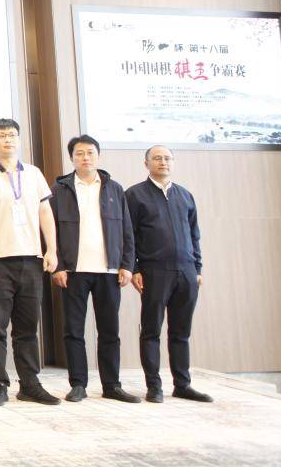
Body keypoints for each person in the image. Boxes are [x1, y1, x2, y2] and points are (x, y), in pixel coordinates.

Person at [0, 118, 60, 406]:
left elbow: (45, 213)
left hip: (31, 259)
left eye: (12, 135)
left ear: (19, 140)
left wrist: (51, 249)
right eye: (1, 135)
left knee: (27, 327)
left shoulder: (34, 174)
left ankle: (30, 384)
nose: (8, 139)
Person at [50, 135, 140, 404]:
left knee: (109, 331)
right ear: (72, 158)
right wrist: (58, 266)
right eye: (79, 153)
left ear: (98, 156)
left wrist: (126, 265)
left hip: (108, 271)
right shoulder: (60, 189)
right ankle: (78, 384)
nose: (85, 157)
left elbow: (127, 230)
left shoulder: (114, 188)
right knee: (73, 331)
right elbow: (50, 230)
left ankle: (112, 385)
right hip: (73, 271)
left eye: (90, 152)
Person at [126, 145, 211, 403]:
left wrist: (197, 268)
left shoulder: (185, 195)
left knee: (181, 332)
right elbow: (129, 236)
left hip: (186, 272)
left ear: (173, 162)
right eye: (157, 158)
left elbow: (194, 235)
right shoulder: (135, 195)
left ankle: (182, 385)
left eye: (167, 158)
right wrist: (135, 269)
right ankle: (154, 386)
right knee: (151, 330)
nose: (163, 162)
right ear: (146, 163)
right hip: (154, 271)